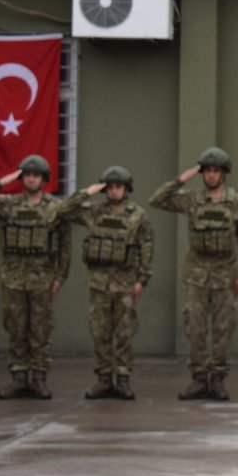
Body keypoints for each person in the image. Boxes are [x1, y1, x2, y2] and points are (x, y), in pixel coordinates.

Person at [150, 147, 238, 401]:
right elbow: (157, 199)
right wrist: (181, 179)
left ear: (224, 174)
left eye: (215, 171)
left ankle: (217, 380)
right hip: (195, 274)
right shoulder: (192, 199)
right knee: (194, 328)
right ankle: (198, 378)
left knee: (222, 330)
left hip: (224, 274)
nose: (210, 176)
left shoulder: (236, 202)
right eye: (206, 171)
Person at [0, 155, 70, 400]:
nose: (31, 179)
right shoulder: (9, 204)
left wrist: (60, 276)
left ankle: (39, 379)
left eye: (35, 175)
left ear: (44, 179)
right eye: (27, 175)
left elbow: (65, 245)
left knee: (40, 330)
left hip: (42, 278)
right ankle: (19, 378)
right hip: (13, 278)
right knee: (16, 329)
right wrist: (5, 180)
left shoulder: (54, 208)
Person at [61, 166, 153, 401]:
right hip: (99, 283)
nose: (114, 192)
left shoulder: (138, 215)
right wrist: (88, 192)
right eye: (109, 188)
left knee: (125, 333)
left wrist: (142, 279)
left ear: (127, 189)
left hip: (125, 282)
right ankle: (103, 379)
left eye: (118, 187)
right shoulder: (93, 212)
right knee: (100, 332)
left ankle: (122, 379)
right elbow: (63, 210)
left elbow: (147, 247)